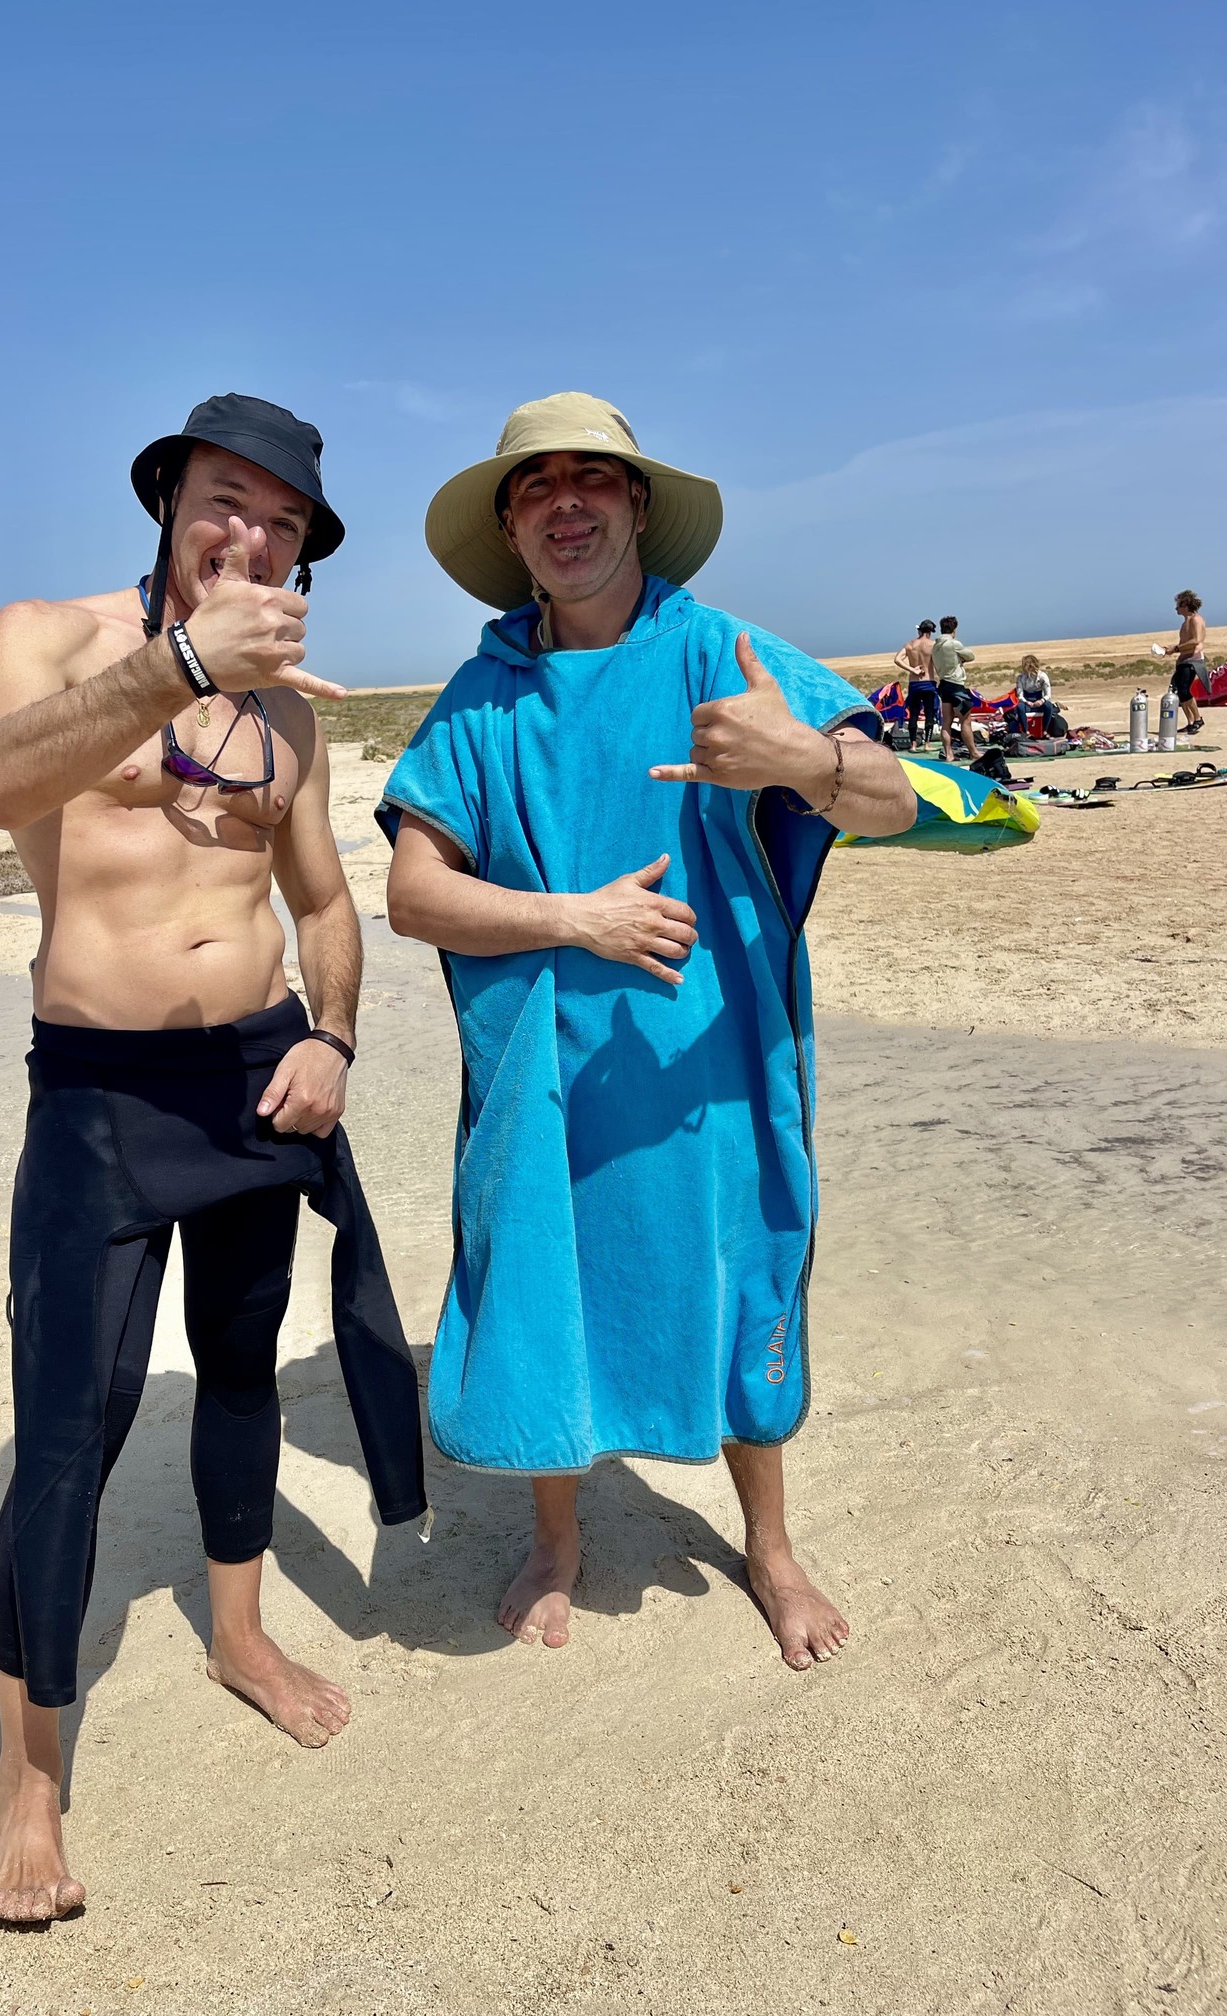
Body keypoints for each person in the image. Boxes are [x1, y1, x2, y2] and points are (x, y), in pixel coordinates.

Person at [0, 394, 426, 1924]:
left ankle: (238, 1637)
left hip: (255, 1080)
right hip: (100, 1087)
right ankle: (31, 1771)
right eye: (230, 501)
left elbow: (328, 902)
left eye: (286, 525)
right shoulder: (45, 638)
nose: (256, 538)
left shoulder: (291, 717)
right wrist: (181, 665)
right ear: (168, 497)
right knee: (70, 1420)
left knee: (239, 1366)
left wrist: (333, 1036)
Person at [379, 392, 915, 1670]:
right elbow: (411, 894)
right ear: (511, 529)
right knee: (546, 1281)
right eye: (535, 484)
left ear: (636, 505)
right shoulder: (483, 696)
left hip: (707, 1061)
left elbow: (894, 800)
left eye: (592, 477)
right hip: (544, 1072)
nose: (564, 501)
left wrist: (804, 762)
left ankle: (770, 1548)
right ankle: (557, 1539)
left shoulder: (718, 650)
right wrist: (575, 920)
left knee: (740, 1268)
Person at [932, 615, 978, 762]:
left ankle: (948, 753)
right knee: (965, 720)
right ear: (954, 629)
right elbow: (970, 656)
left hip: (944, 685)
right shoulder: (953, 644)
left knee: (946, 721)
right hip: (956, 686)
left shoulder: (936, 646)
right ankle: (973, 752)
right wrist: (960, 659)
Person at [1162, 591, 1208, 735]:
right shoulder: (1185, 622)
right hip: (1183, 660)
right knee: (1178, 691)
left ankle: (1198, 719)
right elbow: (1185, 643)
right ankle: (1190, 722)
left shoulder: (1196, 620)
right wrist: (1174, 652)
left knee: (1184, 690)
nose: (1176, 608)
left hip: (1193, 661)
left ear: (1186, 606)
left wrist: (1175, 649)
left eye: (1178, 605)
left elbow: (1196, 641)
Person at [893, 619, 940, 746]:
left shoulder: (910, 645)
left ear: (919, 630)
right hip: (928, 682)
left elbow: (897, 659)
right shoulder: (933, 645)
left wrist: (912, 669)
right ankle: (927, 743)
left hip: (914, 683)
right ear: (930, 632)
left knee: (913, 713)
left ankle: (913, 744)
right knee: (929, 713)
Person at [1014, 655, 1064, 738]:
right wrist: (1026, 702)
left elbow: (1048, 694)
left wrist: (1042, 701)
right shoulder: (1020, 678)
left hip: (1039, 701)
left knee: (1048, 706)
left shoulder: (1042, 676)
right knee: (1020, 707)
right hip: (1026, 702)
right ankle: (1026, 731)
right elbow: (1020, 695)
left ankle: (1045, 731)